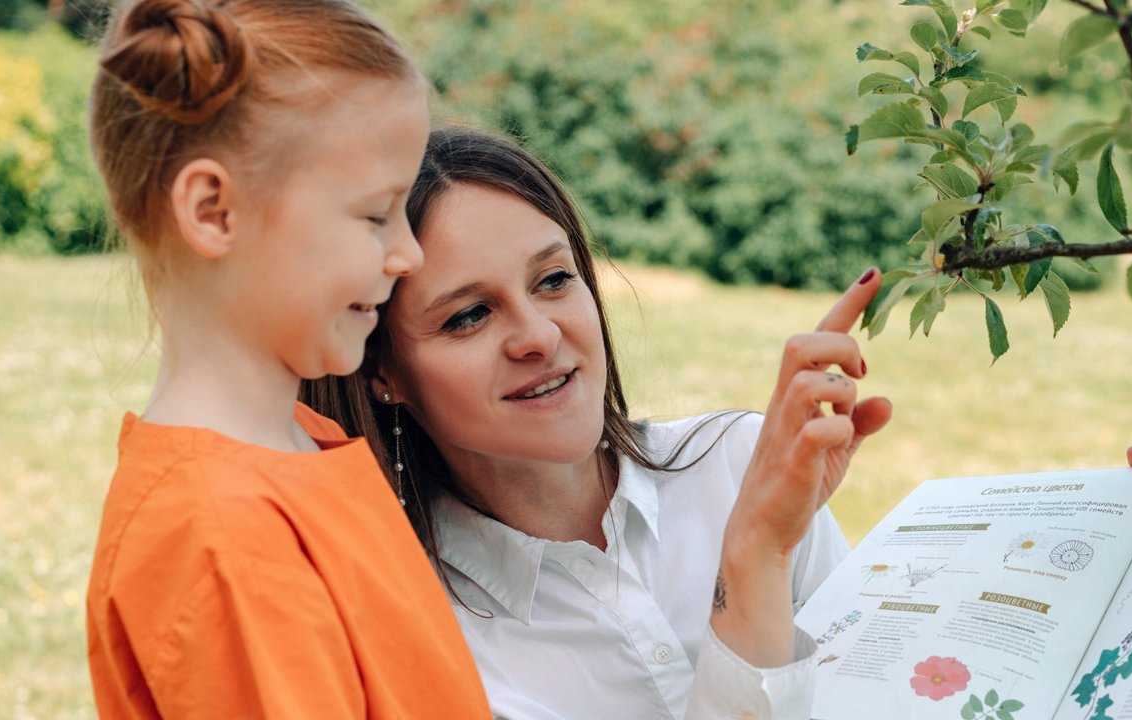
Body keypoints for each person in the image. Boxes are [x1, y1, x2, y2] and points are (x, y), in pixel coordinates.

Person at [302, 126, 893, 719]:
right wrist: (755, 557)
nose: (539, 336)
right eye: (470, 316)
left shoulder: (741, 462)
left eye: (554, 279)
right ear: (382, 371)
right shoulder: (417, 635)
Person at [83, 3, 488, 717]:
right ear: (213, 211)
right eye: (375, 214)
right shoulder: (218, 530)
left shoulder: (301, 444)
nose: (409, 253)